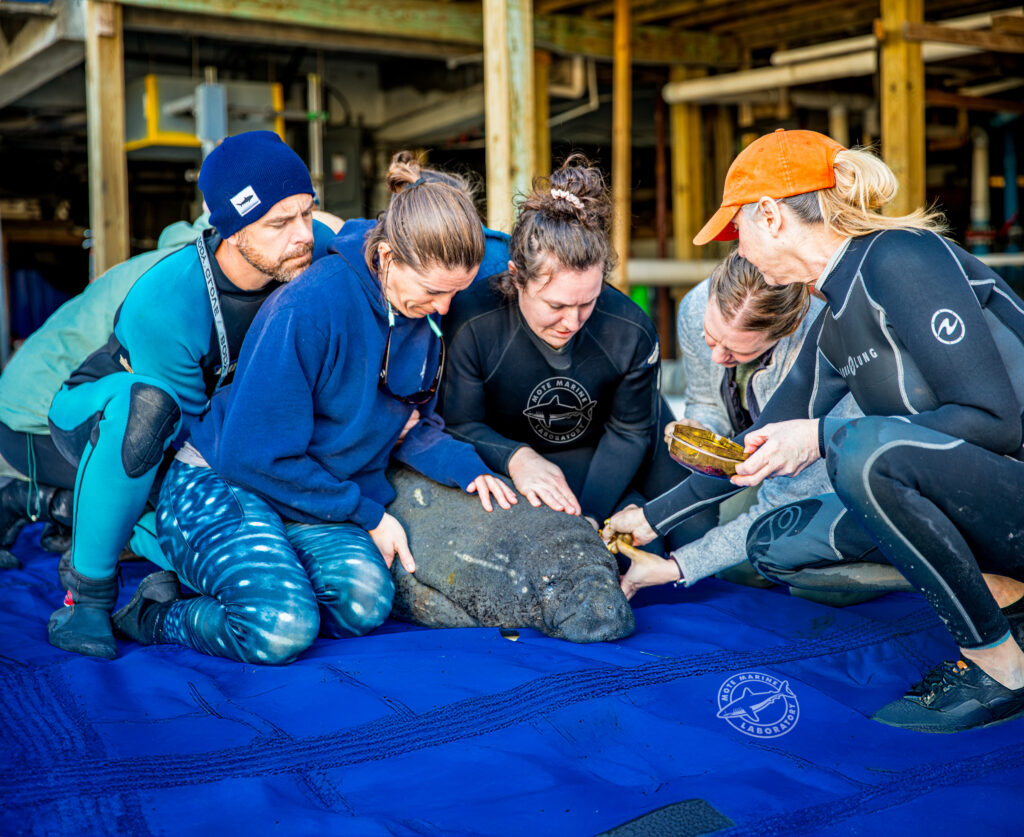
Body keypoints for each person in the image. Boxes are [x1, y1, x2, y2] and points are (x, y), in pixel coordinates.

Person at [605, 128, 1024, 733]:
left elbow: (995, 421)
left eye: (738, 233)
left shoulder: (901, 256)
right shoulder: (833, 315)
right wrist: (649, 519)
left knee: (858, 450)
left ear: (770, 216)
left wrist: (822, 435)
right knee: (776, 541)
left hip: (1009, 486)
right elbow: (752, 448)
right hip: (981, 501)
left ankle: (999, 666)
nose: (740, 252)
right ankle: (1011, 599)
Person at [110, 151, 517, 665]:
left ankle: (256, 579)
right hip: (226, 476)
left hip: (307, 489)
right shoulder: (311, 306)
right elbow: (251, 455)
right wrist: (366, 514)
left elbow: (408, 418)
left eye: (455, 292)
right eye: (435, 291)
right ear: (388, 257)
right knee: (280, 628)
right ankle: (156, 613)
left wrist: (469, 469)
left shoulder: (423, 314)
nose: (443, 308)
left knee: (364, 604)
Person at [46, 131, 339, 660]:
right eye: (279, 223)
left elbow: (381, 244)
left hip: (219, 430)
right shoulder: (169, 301)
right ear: (233, 229)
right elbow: (185, 448)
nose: (303, 235)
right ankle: (88, 595)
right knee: (151, 411)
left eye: (307, 212)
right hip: (113, 417)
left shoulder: (303, 248)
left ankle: (117, 528)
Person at [438, 156, 694, 543]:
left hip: (605, 455)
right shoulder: (472, 322)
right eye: (556, 305)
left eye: (587, 302)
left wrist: (590, 516)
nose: (572, 322)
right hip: (511, 452)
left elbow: (628, 432)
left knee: (681, 536)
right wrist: (515, 456)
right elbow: (458, 422)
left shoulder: (630, 330)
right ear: (516, 278)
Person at [617, 249, 859, 599]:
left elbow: (786, 497)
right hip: (746, 466)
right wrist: (703, 431)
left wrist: (679, 567)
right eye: (710, 337)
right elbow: (706, 400)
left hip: (825, 480)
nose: (717, 356)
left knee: (761, 567)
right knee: (698, 532)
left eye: (737, 352)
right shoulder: (695, 305)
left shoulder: (823, 346)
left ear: (787, 330)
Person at [0, 216, 217, 570]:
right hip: (33, 419)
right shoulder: (182, 281)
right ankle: (32, 499)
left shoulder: (196, 263)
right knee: (160, 497)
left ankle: (71, 522)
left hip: (62, 400)